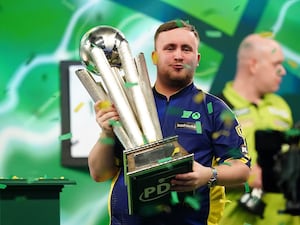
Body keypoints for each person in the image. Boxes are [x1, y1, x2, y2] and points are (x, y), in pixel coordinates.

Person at [88, 19, 251, 225]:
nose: (178, 55)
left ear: (197, 58)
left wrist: (208, 174)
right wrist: (106, 133)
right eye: (170, 48)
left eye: (186, 49)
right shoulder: (127, 105)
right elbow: (99, 173)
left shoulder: (214, 109)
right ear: (154, 57)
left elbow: (242, 169)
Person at [218, 34, 300, 225]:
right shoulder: (216, 108)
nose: (283, 71)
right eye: (276, 64)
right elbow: (198, 171)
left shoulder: (281, 106)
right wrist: (249, 175)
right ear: (253, 65)